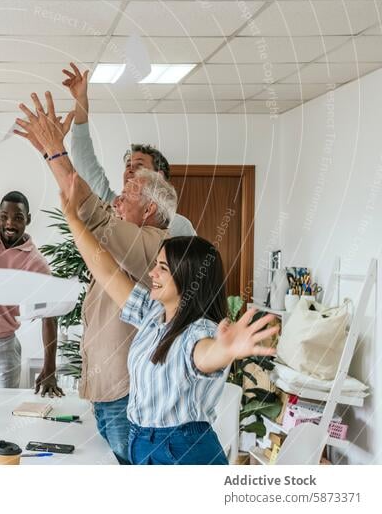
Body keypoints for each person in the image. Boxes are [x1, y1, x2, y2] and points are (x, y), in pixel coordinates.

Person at [60, 171, 278, 464]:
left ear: (187, 277)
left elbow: (203, 355)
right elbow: (107, 271)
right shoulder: (151, 314)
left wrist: (224, 350)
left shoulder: (199, 331)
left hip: (183, 452)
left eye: (162, 267)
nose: (152, 273)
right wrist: (73, 219)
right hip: (143, 443)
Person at [14, 91, 175, 463]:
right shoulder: (129, 235)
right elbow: (90, 206)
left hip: (125, 394)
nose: (118, 199)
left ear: (150, 209)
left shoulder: (154, 243)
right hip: (106, 392)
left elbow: (91, 213)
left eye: (129, 193)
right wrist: (49, 151)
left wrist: (55, 149)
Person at [0, 114, 63, 395]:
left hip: (2, 347)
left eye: (17, 218)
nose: (9, 223)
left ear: (27, 219)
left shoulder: (35, 262)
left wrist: (50, 368)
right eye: (4, 216)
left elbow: (50, 316)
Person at [61, 62, 196, 237]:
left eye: (139, 165)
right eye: (128, 166)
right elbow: (84, 162)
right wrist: (81, 102)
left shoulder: (178, 226)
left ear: (159, 177)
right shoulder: (112, 206)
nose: (130, 170)